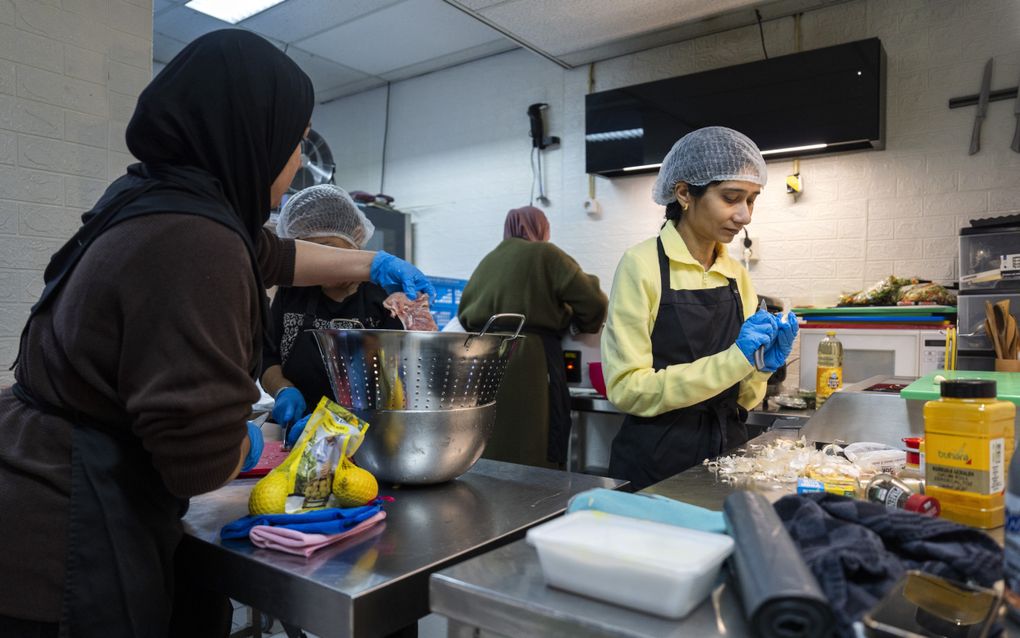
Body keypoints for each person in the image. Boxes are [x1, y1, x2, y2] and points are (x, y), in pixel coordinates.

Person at [0, 30, 433, 637]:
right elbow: (198, 465)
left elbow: (276, 257)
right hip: (69, 537)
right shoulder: (194, 242)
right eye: (291, 146)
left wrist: (370, 264)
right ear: (250, 136)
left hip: (34, 494)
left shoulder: (152, 198)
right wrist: (259, 448)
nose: (293, 168)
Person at [601, 126, 798, 491]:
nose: (745, 216)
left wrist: (760, 369)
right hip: (656, 462)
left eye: (752, 199)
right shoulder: (641, 265)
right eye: (731, 198)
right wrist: (736, 360)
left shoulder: (735, 274)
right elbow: (628, 389)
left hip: (728, 457)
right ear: (684, 193)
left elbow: (743, 397)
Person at [458, 206, 608, 469]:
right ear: (542, 228)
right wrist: (576, 322)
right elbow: (594, 302)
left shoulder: (488, 260)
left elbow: (464, 313)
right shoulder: (545, 254)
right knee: (538, 442)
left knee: (493, 442)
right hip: (532, 360)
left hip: (484, 360)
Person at [261, 184, 404, 446]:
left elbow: (395, 383)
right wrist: (283, 390)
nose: (322, 269)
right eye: (313, 258)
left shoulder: (385, 297)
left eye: (328, 249)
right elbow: (267, 356)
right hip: (295, 432)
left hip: (364, 439)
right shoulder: (292, 292)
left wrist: (338, 423)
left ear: (356, 235)